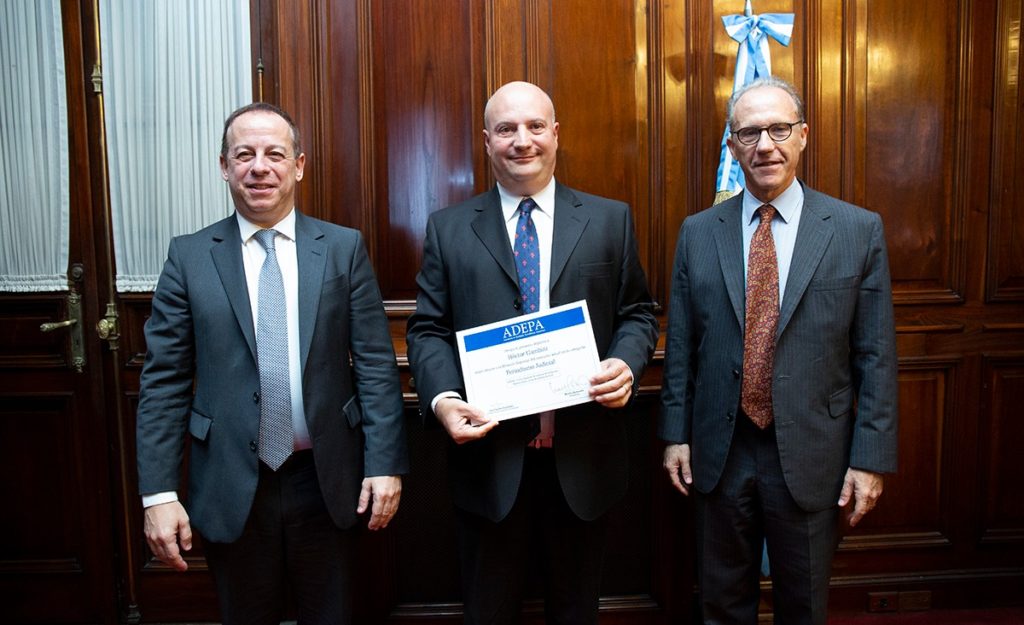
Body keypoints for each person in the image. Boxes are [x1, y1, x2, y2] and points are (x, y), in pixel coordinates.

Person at [136, 102, 408, 624]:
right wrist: (159, 493)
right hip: (231, 484)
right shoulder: (189, 257)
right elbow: (164, 383)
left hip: (328, 481)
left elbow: (375, 364)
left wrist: (384, 464)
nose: (260, 167)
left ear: (298, 165)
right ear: (224, 166)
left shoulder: (342, 249)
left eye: (275, 154)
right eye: (245, 155)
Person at [406, 81, 658, 624]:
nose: (523, 141)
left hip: (584, 457)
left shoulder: (609, 219)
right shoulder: (448, 230)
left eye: (535, 126)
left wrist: (626, 365)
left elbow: (638, 313)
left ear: (556, 134)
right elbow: (428, 330)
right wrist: (444, 400)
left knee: (576, 613)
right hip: (488, 461)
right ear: (487, 140)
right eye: (506, 129)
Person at [659, 76, 899, 625]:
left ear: (803, 136)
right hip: (719, 449)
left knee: (804, 604)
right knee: (720, 603)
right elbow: (684, 348)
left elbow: (875, 355)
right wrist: (674, 434)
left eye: (779, 129)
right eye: (749, 132)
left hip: (814, 450)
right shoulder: (698, 233)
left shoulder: (857, 230)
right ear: (731, 145)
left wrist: (870, 458)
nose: (765, 144)